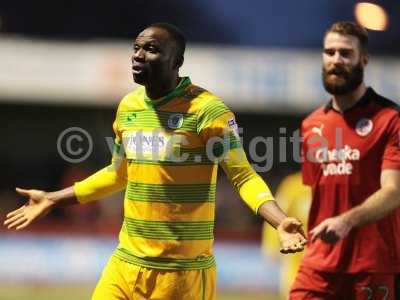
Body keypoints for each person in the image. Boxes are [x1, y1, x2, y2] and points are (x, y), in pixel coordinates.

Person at [4, 23, 306, 300]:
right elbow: (118, 174)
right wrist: (54, 199)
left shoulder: (208, 112)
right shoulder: (129, 107)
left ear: (177, 62)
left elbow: (243, 176)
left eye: (151, 49)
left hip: (181, 274)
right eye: (136, 48)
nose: (138, 56)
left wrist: (280, 221)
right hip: (125, 264)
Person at [289, 21, 400, 300]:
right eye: (329, 52)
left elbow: (394, 191)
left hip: (373, 264)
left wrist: (347, 221)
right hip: (319, 263)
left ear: (364, 59)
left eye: (345, 53)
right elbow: (318, 194)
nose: (336, 60)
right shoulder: (310, 125)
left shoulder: (390, 120)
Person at [262, 171, 311, 299]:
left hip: (325, 256)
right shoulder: (293, 185)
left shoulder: (333, 182)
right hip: (297, 259)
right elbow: (277, 214)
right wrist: (270, 245)